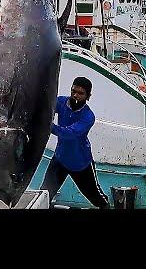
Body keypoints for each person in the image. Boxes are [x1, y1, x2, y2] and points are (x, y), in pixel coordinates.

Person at [41, 77, 109, 209]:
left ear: (88, 96)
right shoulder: (61, 102)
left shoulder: (88, 117)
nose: (75, 95)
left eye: (80, 93)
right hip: (60, 159)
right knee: (44, 195)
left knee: (97, 198)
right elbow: (46, 108)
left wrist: (47, 126)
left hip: (81, 164)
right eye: (73, 91)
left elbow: (70, 134)